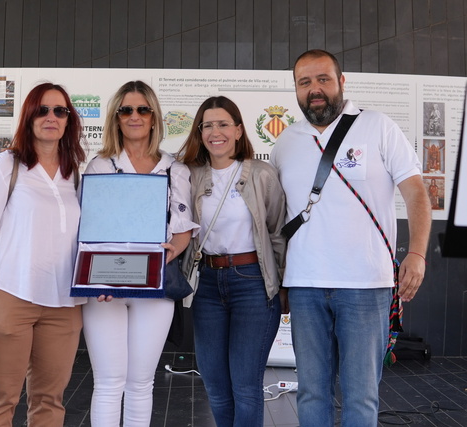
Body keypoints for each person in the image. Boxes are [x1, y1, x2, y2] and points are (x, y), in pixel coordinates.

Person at [270, 49, 432, 426]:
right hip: (304, 288)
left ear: (342, 82)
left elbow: (416, 192)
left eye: (323, 79)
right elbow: (276, 218)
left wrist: (419, 253)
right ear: (295, 89)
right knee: (311, 392)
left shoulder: (377, 126)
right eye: (305, 82)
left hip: (365, 286)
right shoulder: (286, 142)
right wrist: (279, 280)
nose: (315, 89)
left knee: (361, 396)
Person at [0, 82, 87, 426]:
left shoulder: (76, 172)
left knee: (50, 402)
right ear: (29, 116)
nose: (51, 117)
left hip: (64, 304)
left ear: (69, 120)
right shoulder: (6, 166)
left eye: (60, 111)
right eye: (42, 109)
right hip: (9, 297)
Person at [82, 80, 197, 426]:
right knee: (108, 381)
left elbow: (183, 227)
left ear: (154, 117)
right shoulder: (99, 167)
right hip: (105, 289)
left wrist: (174, 248)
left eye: (143, 109)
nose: (135, 116)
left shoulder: (176, 168)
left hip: (155, 285)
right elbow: (86, 233)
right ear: (116, 118)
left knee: (141, 382)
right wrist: (95, 278)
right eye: (127, 110)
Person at [177, 96, 287, 427]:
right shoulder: (190, 175)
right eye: (207, 125)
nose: (215, 131)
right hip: (207, 284)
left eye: (223, 123)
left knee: (246, 388)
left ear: (238, 130)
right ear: (200, 132)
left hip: (253, 283)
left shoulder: (261, 174)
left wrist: (281, 286)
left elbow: (278, 233)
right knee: (215, 386)